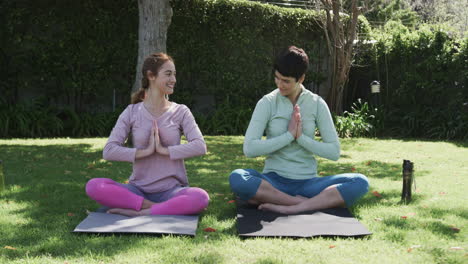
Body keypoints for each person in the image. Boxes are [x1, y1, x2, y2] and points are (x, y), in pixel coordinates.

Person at [229, 46, 369, 214]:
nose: (280, 84)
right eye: (277, 78)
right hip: (273, 182)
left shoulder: (316, 103)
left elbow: (334, 152)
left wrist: (301, 138)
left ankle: (292, 207)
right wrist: (288, 136)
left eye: (286, 81)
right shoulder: (267, 103)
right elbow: (249, 149)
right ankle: (299, 203)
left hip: (308, 183)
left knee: (360, 182)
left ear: (301, 78)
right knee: (238, 178)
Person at [86, 52, 209, 216]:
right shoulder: (131, 112)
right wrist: (144, 152)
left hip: (171, 191)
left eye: (174, 74)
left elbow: (200, 146)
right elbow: (109, 151)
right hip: (137, 190)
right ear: (151, 75)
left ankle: (140, 212)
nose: (174, 80)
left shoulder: (181, 111)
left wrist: (165, 150)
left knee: (200, 197)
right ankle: (150, 206)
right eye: (168, 74)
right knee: (94, 186)